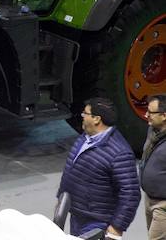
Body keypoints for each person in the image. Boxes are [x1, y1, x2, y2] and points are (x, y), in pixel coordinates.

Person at [58, 97, 141, 239]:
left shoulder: (120, 152)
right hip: (78, 215)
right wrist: (61, 200)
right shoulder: (85, 138)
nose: (82, 116)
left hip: (97, 222)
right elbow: (70, 171)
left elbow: (131, 193)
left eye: (85, 113)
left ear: (97, 119)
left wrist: (117, 227)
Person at [141, 94, 166, 240]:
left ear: (164, 116)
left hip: (163, 205)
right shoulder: (152, 130)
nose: (146, 115)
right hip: (149, 198)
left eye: (151, 112)